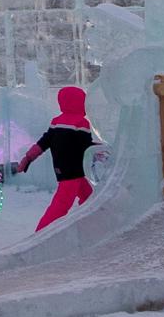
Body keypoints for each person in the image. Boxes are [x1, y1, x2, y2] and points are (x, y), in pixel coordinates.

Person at [16, 86, 106, 231]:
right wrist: (101, 151)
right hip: (74, 170)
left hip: (62, 169)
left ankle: (91, 226)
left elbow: (43, 143)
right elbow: (85, 146)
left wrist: (28, 158)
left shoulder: (56, 121)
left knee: (88, 197)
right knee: (61, 205)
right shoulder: (81, 123)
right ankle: (41, 233)